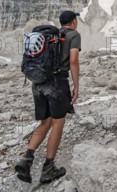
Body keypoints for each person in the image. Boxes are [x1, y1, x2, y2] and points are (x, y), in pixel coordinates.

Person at [15, 11, 81, 184]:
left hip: (38, 83)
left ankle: (26, 160)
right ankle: (48, 168)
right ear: (74, 22)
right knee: (58, 123)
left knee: (45, 122)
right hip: (57, 84)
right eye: (76, 20)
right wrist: (76, 86)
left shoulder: (50, 37)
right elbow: (73, 60)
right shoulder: (73, 35)